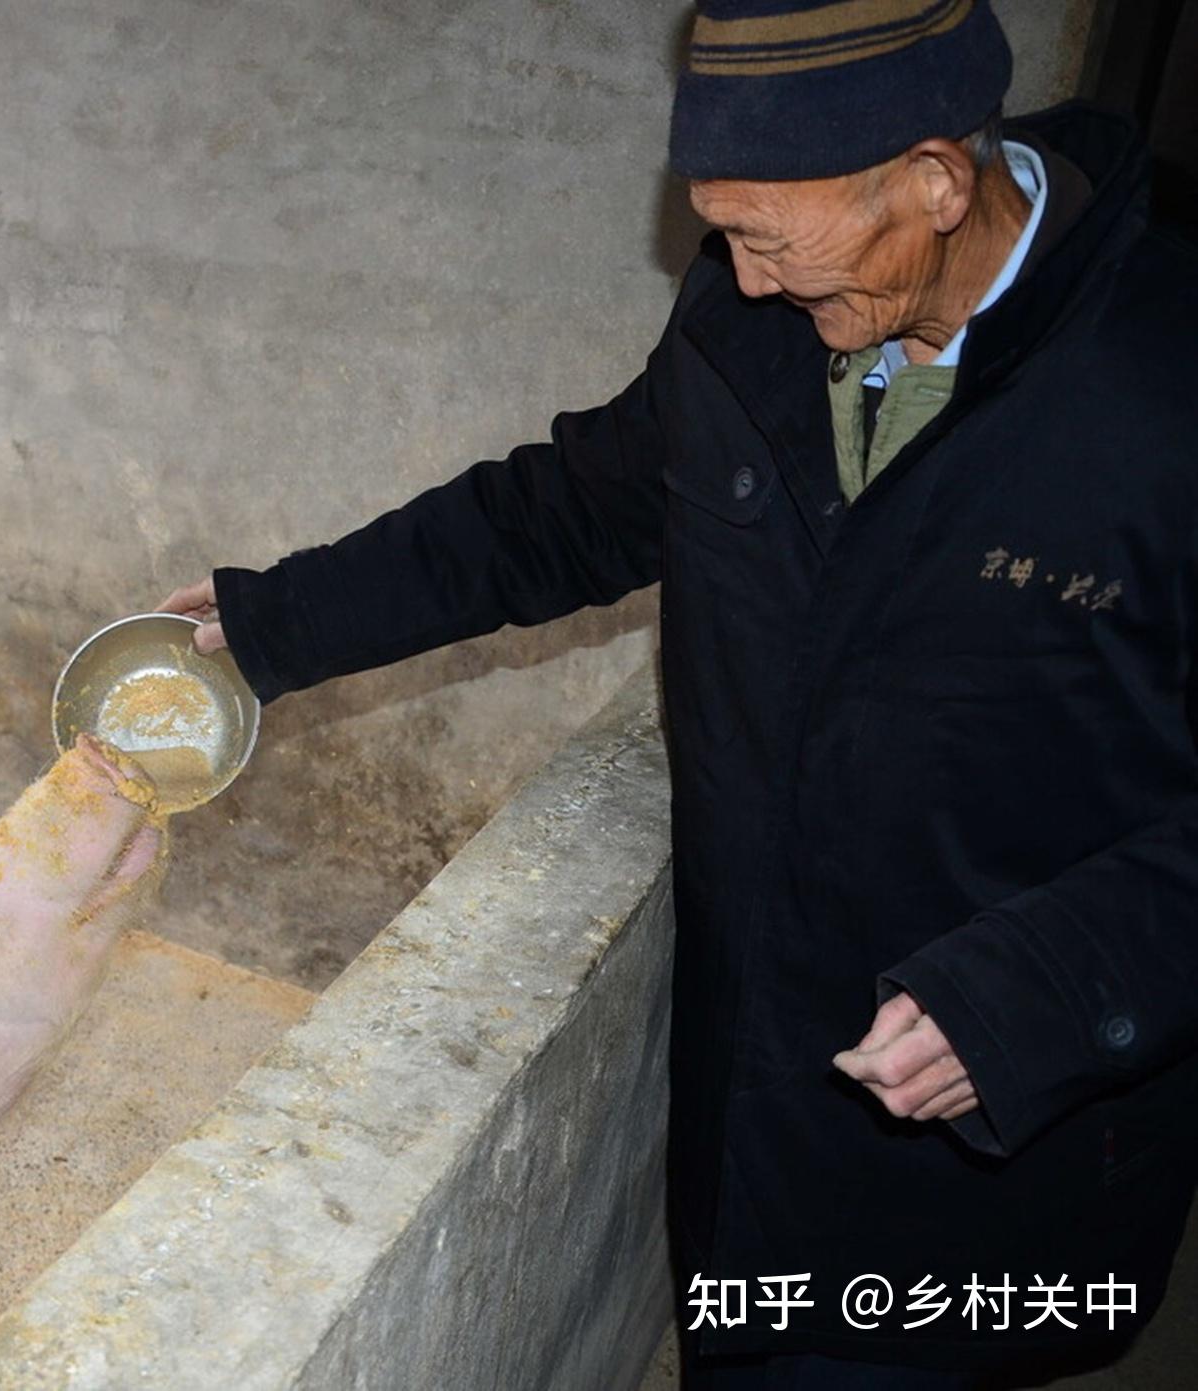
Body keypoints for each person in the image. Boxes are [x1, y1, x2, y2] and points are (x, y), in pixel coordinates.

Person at [158, 2, 1198, 1386]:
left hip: (1004, 1096)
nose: (749, 280)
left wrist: (1038, 996)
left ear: (938, 182)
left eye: (773, 237)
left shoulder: (1162, 391)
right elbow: (562, 513)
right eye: (726, 233)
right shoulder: (751, 322)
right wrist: (275, 620)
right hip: (761, 1059)